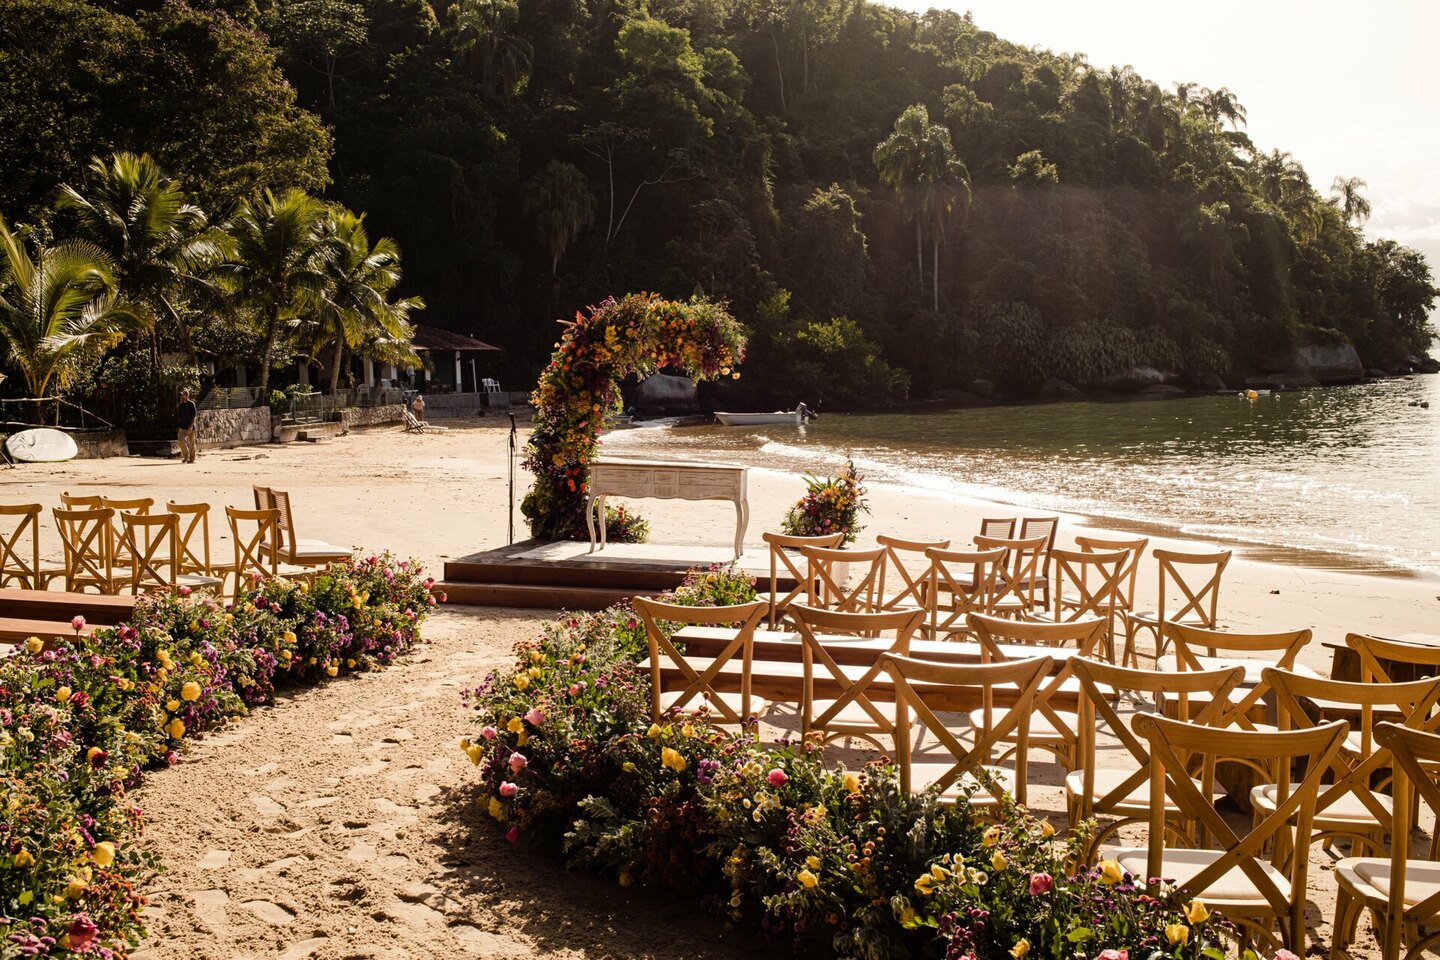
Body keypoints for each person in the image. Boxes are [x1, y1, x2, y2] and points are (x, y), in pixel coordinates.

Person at [176, 388, 198, 463]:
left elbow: (193, 416)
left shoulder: (192, 404)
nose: (182, 396)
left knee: (192, 443)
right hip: (182, 427)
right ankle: (186, 456)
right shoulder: (180, 405)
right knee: (180, 440)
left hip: (190, 427)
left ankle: (192, 459)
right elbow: (180, 417)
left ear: (187, 395)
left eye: (183, 394)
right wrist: (178, 427)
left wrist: (190, 426)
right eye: (181, 394)